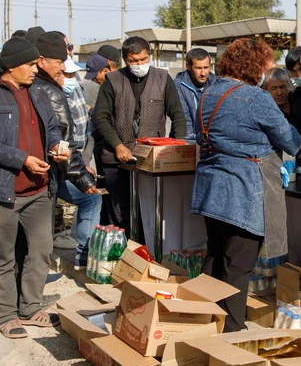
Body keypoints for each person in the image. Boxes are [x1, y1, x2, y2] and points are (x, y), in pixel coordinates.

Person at [191, 38, 301, 332]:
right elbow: (288, 139)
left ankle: (207, 321)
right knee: (238, 264)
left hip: (210, 186)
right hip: (243, 189)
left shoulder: (207, 94)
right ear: (253, 67)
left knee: (215, 256)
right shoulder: (256, 98)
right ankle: (231, 330)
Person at [0, 37, 70, 338]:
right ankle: (7, 315)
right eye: (29, 65)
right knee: (1, 257)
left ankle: (31, 308)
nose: (35, 70)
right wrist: (22, 159)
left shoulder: (37, 92)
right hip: (1, 191)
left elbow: (52, 128)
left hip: (39, 190)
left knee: (40, 251)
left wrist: (55, 147)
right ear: (11, 66)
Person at [93, 36, 186, 245]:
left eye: (144, 59)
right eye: (134, 61)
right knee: (120, 213)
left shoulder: (163, 79)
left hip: (151, 160)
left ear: (150, 56)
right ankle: (123, 254)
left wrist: (174, 147)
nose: (140, 65)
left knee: (150, 212)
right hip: (116, 160)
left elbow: (178, 115)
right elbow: (101, 117)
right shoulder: (113, 80)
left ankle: (148, 255)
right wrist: (117, 145)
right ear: (125, 60)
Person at [33, 33, 101, 270]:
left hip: (56, 168)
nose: (66, 76)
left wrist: (82, 164)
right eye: (63, 71)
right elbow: (62, 141)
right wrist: (81, 175)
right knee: (34, 238)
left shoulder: (41, 87)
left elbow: (80, 134)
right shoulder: (52, 93)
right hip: (50, 170)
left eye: (71, 73)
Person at [174, 48, 216, 138]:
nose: (203, 73)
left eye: (206, 68)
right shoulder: (179, 85)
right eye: (198, 68)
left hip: (210, 141)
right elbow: (183, 118)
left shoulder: (217, 84)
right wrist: (191, 141)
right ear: (188, 66)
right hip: (188, 139)